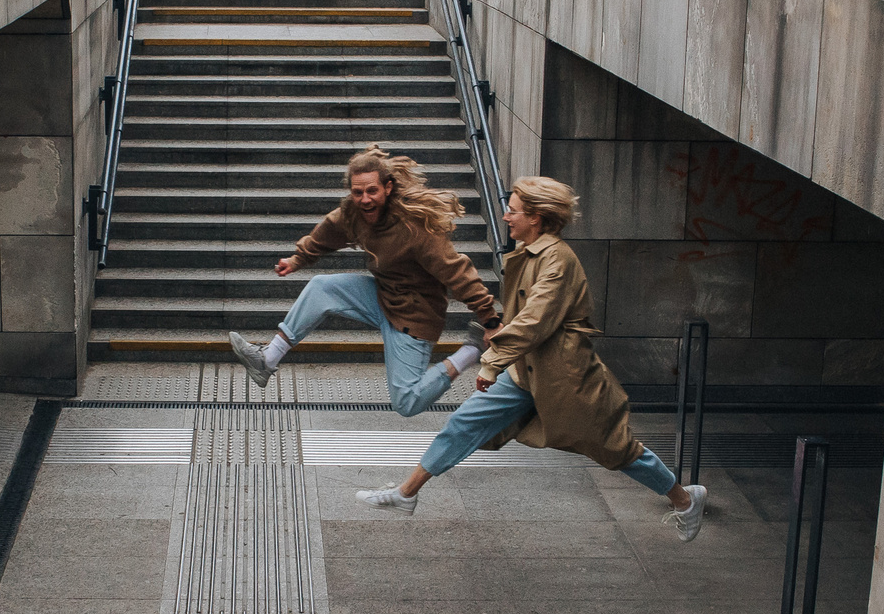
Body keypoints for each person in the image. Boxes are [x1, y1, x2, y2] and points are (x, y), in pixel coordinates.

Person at [355, 175, 707, 540]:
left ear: (536, 217)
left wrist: (491, 362)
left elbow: (534, 320)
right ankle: (406, 493)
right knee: (464, 423)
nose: (507, 218)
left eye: (513, 211)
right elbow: (524, 316)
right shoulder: (530, 253)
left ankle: (684, 499)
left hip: (566, 378)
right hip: (526, 372)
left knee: (616, 449)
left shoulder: (557, 261)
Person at [229, 145, 501, 415]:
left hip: (415, 315)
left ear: (388, 187)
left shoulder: (413, 227)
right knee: (322, 288)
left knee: (407, 403)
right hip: (382, 295)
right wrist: (296, 260)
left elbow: (457, 272)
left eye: (372, 191)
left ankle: (471, 349)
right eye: (357, 193)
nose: (365, 200)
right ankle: (268, 359)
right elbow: (327, 234)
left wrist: (489, 320)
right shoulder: (353, 214)